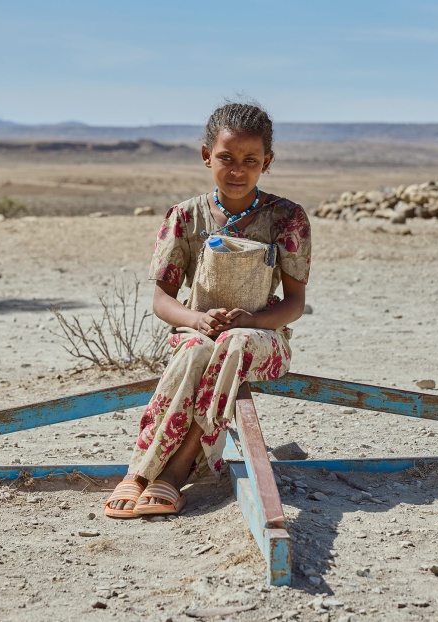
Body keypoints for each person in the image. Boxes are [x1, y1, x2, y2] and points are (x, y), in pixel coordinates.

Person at [105, 102, 311, 518]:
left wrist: (251, 320)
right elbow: (162, 300)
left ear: (266, 163)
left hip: (262, 341)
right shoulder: (185, 217)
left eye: (250, 161)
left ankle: (172, 471)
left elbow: (293, 303)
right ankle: (142, 474)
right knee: (200, 350)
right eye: (226, 158)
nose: (237, 170)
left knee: (233, 342)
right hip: (196, 335)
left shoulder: (287, 218)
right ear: (206, 156)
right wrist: (197, 319)